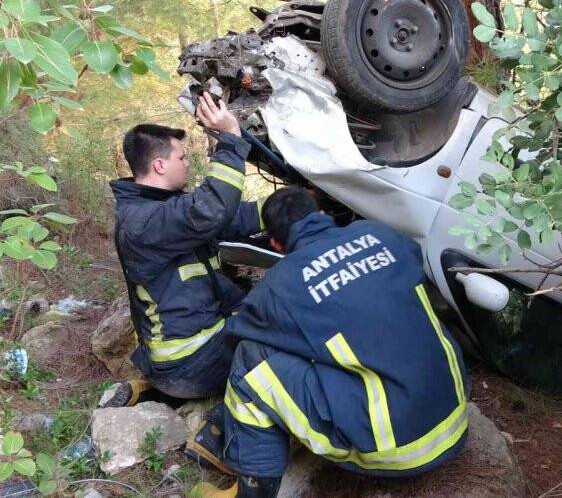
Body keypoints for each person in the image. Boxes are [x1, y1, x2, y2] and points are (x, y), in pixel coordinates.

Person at [190, 187, 469, 498]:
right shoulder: (380, 234)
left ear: (275, 244)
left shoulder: (281, 284)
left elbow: (237, 335)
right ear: (322, 215)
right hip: (453, 416)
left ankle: (253, 489)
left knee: (250, 360)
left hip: (395, 446)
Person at [106, 93, 264, 461]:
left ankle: (156, 391)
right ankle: (218, 436)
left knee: (261, 306)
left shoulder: (160, 209)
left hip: (189, 355)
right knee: (279, 340)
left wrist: (287, 206)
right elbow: (211, 209)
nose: (188, 163)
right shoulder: (142, 222)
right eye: (183, 158)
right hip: (190, 364)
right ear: (159, 165)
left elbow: (228, 218)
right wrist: (230, 140)